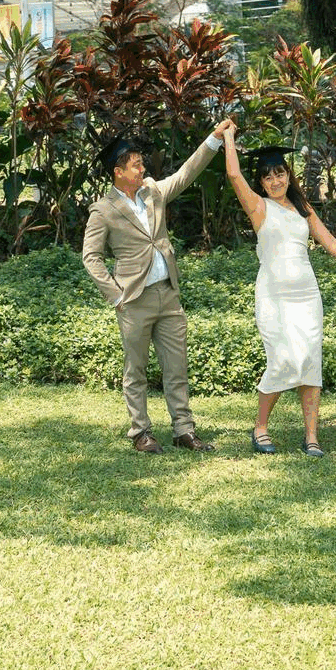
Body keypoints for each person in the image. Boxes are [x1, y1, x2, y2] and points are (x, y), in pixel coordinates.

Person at [218, 119, 336, 456]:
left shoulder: (303, 210)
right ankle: (260, 428)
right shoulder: (259, 207)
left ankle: (311, 437)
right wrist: (229, 137)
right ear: (261, 182)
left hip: (307, 296)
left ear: (288, 175)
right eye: (268, 176)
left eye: (280, 173)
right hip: (273, 297)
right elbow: (234, 176)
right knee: (281, 360)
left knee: (309, 360)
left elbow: (331, 242)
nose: (275, 180)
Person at [82, 123, 230, 454]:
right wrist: (116, 295)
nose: (143, 168)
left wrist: (213, 140)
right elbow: (90, 258)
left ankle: (184, 430)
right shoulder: (103, 210)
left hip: (168, 294)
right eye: (136, 164)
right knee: (135, 371)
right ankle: (140, 433)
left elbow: (186, 173)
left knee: (176, 367)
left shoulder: (152, 191)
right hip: (133, 300)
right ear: (118, 172)